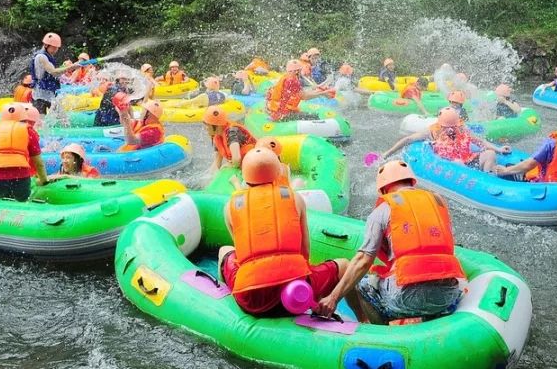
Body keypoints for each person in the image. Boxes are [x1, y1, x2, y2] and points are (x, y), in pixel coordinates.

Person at [316, 160, 464, 324]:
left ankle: (375, 328)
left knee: (362, 284)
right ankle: (429, 323)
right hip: (448, 295)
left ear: (384, 189)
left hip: (405, 299)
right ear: (411, 181)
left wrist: (333, 298)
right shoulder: (438, 203)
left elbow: (362, 261)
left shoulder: (383, 210)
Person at [218, 147, 347, 317]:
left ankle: (226, 310)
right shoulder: (294, 198)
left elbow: (241, 254)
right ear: (277, 172)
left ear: (245, 176)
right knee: (345, 265)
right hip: (296, 294)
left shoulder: (230, 206)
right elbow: (305, 250)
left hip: (251, 300)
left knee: (224, 251)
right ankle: (362, 320)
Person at [382, 108, 510, 171]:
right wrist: (388, 153)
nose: (451, 130)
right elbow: (408, 139)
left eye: (453, 127)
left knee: (490, 154)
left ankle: (486, 178)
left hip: (468, 158)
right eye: (447, 127)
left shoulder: (462, 128)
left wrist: (498, 149)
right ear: (441, 125)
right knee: (459, 162)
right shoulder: (432, 130)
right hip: (450, 161)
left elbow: (480, 142)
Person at [0, 103, 46, 200]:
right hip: (19, 178)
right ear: (24, 118)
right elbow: (38, 163)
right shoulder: (28, 130)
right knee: (20, 206)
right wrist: (43, 181)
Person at [264, 60, 333, 122]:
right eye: (300, 70)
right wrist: (323, 94)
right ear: (296, 71)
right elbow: (305, 96)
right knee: (314, 116)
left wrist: (318, 91)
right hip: (283, 114)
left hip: (276, 112)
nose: (301, 72)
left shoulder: (285, 77)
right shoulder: (293, 81)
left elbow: (303, 93)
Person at [31, 32, 81, 114]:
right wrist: (70, 67)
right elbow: (54, 72)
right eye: (54, 48)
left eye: (57, 48)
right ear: (46, 45)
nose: (56, 50)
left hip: (49, 92)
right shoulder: (41, 57)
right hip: (40, 94)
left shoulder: (48, 55)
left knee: (62, 118)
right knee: (41, 120)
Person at [203, 105, 256, 170]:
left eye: (207, 125)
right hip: (245, 165)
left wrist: (230, 165)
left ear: (216, 126)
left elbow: (237, 159)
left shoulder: (232, 132)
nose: (205, 128)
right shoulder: (217, 136)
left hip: (254, 163)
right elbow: (217, 163)